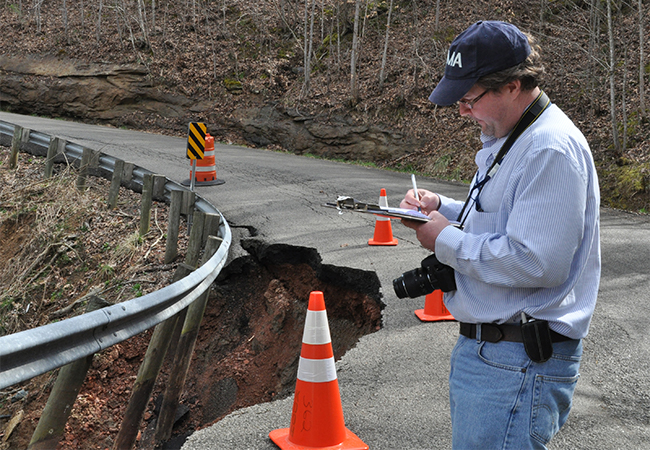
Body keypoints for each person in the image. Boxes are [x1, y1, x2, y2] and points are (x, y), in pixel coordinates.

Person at [399, 21, 601, 449]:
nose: (462, 111)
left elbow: (537, 261)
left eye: (469, 99)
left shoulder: (547, 149)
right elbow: (507, 220)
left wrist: (444, 240)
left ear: (512, 86)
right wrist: (443, 209)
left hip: (517, 361)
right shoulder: (518, 137)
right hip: (499, 357)